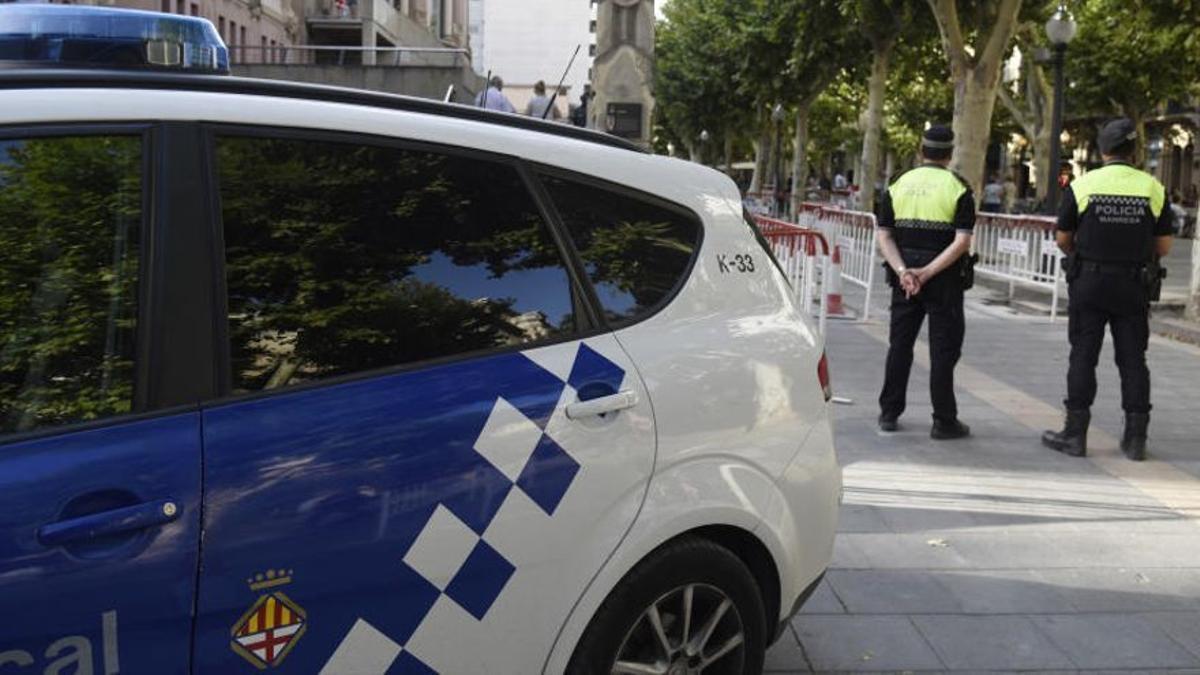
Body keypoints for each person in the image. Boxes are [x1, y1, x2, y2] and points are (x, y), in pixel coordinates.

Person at [1041, 118, 1175, 461]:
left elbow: (1062, 238)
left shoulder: (1083, 186)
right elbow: (1163, 247)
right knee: (1133, 360)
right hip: (1132, 285)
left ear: (1102, 150)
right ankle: (1135, 439)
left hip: (1089, 282)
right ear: (1134, 151)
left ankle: (1075, 434)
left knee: (1083, 355)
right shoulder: (1152, 187)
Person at [875, 125, 975, 439]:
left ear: (921, 150)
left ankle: (889, 413)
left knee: (900, 346)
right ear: (950, 153)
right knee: (943, 351)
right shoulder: (958, 188)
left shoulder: (898, 184)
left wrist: (905, 271)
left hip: (904, 282)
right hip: (944, 281)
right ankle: (944, 421)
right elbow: (962, 242)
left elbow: (884, 236)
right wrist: (928, 272)